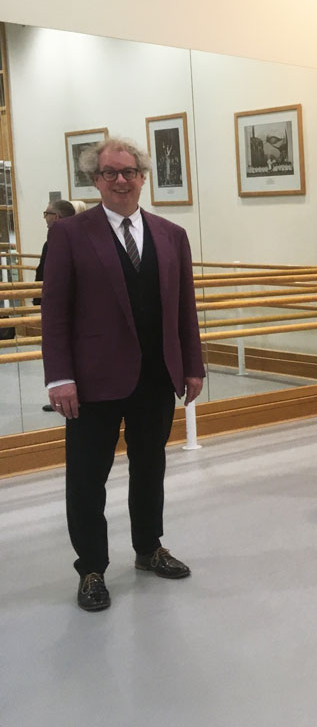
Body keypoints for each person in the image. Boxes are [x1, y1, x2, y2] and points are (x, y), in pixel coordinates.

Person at [41, 136, 205, 612]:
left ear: (142, 177)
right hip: (91, 383)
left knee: (150, 469)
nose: (120, 180)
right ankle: (91, 567)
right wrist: (59, 378)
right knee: (88, 478)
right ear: (95, 180)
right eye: (109, 172)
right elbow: (55, 313)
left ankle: (148, 548)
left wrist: (191, 364)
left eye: (129, 171)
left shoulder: (171, 235)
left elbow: (184, 310)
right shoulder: (70, 234)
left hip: (156, 376)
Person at [33, 199, 76, 306]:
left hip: (58, 303)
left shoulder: (51, 245)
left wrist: (38, 300)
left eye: (46, 214)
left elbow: (43, 273)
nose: (45, 218)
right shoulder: (83, 239)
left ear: (56, 216)